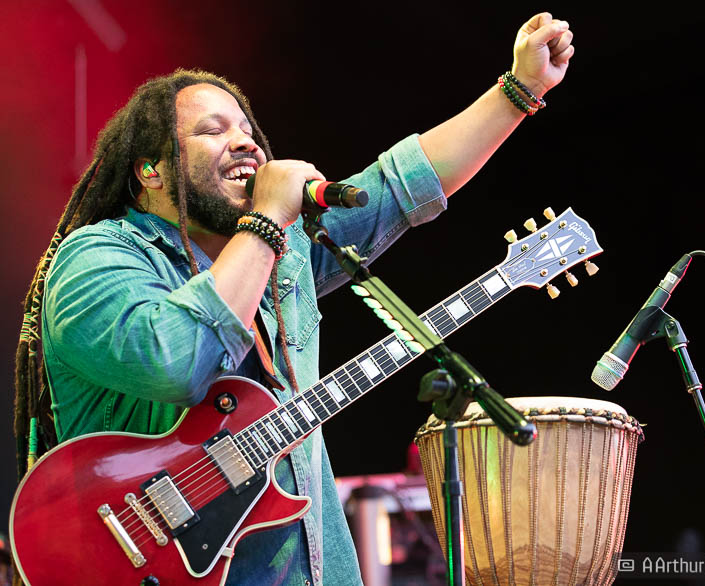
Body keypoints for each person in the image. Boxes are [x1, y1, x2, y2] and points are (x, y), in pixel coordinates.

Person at [13, 12, 574, 585]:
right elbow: (175, 362)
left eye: (247, 130)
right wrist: (265, 219)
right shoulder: (96, 257)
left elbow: (405, 185)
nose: (246, 143)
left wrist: (520, 88)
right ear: (151, 171)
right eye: (213, 131)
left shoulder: (284, 252)